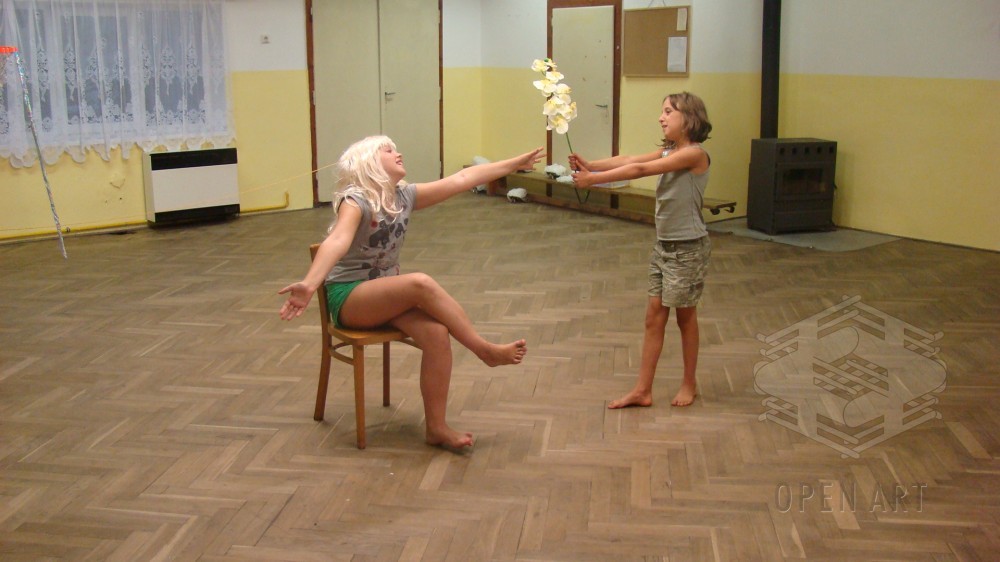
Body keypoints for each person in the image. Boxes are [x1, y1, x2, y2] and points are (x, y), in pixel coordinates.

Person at [279, 136, 544, 449]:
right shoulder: (356, 200)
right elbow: (336, 241)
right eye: (388, 150)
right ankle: (483, 350)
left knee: (436, 334)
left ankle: (436, 428)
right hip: (350, 297)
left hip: (385, 297)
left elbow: (463, 178)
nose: (398, 153)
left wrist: (514, 164)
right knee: (420, 283)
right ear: (368, 162)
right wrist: (310, 284)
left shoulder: (403, 196)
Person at [570, 92, 712, 408]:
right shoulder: (670, 150)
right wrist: (591, 165)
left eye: (668, 112)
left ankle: (689, 383)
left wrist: (593, 180)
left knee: (685, 317)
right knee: (653, 317)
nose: (661, 117)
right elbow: (629, 160)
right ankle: (642, 390)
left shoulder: (694, 155)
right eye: (662, 111)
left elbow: (639, 171)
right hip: (664, 245)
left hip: (688, 248)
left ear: (689, 118)